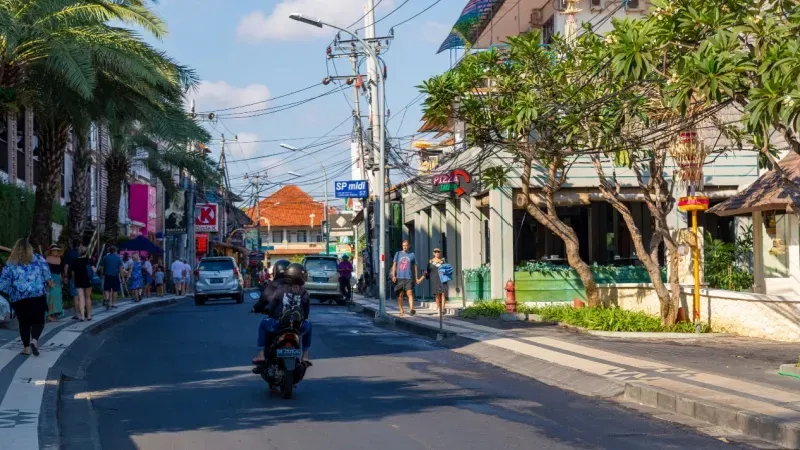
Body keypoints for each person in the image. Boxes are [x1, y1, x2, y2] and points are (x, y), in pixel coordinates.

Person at [251, 262, 312, 365]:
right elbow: (306, 313)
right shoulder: (304, 292)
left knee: (263, 324)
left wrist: (269, 311)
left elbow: (272, 306)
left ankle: (261, 354)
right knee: (309, 325)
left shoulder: (281, 289)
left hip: (278, 324)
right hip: (298, 326)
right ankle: (305, 354)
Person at [0, 238, 52, 356]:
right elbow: (47, 275)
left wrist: (12, 291)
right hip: (38, 295)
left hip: (20, 298)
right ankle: (34, 340)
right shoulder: (38, 259)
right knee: (39, 320)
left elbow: (3, 284)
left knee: (24, 323)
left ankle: (27, 348)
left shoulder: (10, 263)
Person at [391, 240, 420, 316]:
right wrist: (393, 275)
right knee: (400, 295)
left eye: (406, 245)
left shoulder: (412, 255)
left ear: (409, 246)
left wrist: (416, 277)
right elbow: (394, 265)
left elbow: (415, 267)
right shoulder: (398, 254)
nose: (405, 247)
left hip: (409, 278)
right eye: (403, 245)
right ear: (402, 246)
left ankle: (411, 309)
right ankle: (401, 309)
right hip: (399, 277)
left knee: (409, 293)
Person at [418, 248, 449, 313]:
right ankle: (438, 307)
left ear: (440, 253)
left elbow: (448, 269)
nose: (437, 253)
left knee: (443, 293)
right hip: (434, 279)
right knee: (437, 295)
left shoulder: (443, 261)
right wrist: (420, 279)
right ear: (433, 253)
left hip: (442, 279)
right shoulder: (430, 262)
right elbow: (427, 271)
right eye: (435, 251)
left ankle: (442, 308)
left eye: (438, 251)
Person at [71, 244, 93, 320]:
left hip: (78, 280)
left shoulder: (74, 261)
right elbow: (93, 270)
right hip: (87, 280)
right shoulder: (88, 260)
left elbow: (73, 273)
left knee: (81, 298)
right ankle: (89, 315)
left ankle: (82, 316)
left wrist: (74, 280)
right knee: (88, 297)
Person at [45, 245, 65, 322]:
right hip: (50, 279)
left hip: (57, 279)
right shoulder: (47, 259)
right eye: (53, 250)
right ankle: (49, 315)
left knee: (57, 297)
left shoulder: (60, 259)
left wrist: (61, 280)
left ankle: (55, 314)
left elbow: (60, 272)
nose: (55, 252)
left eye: (56, 250)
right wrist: (48, 281)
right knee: (50, 297)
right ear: (50, 251)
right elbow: (45, 271)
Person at [63, 240, 80, 319]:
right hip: (83, 277)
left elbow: (66, 265)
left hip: (73, 277)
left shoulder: (69, 254)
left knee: (75, 297)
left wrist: (65, 276)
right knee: (83, 295)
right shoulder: (82, 254)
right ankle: (84, 312)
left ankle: (76, 314)